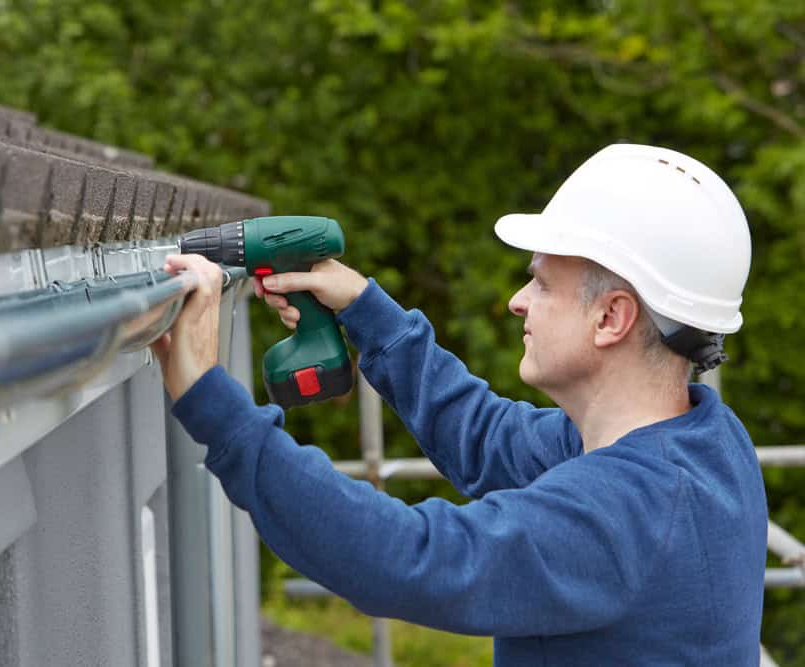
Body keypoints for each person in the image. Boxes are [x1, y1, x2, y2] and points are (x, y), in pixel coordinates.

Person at [152, 144, 767, 665]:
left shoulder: (626, 513)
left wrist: (211, 397)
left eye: (542, 283)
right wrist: (366, 310)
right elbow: (487, 438)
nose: (517, 302)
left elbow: (402, 559)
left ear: (612, 317)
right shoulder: (702, 443)